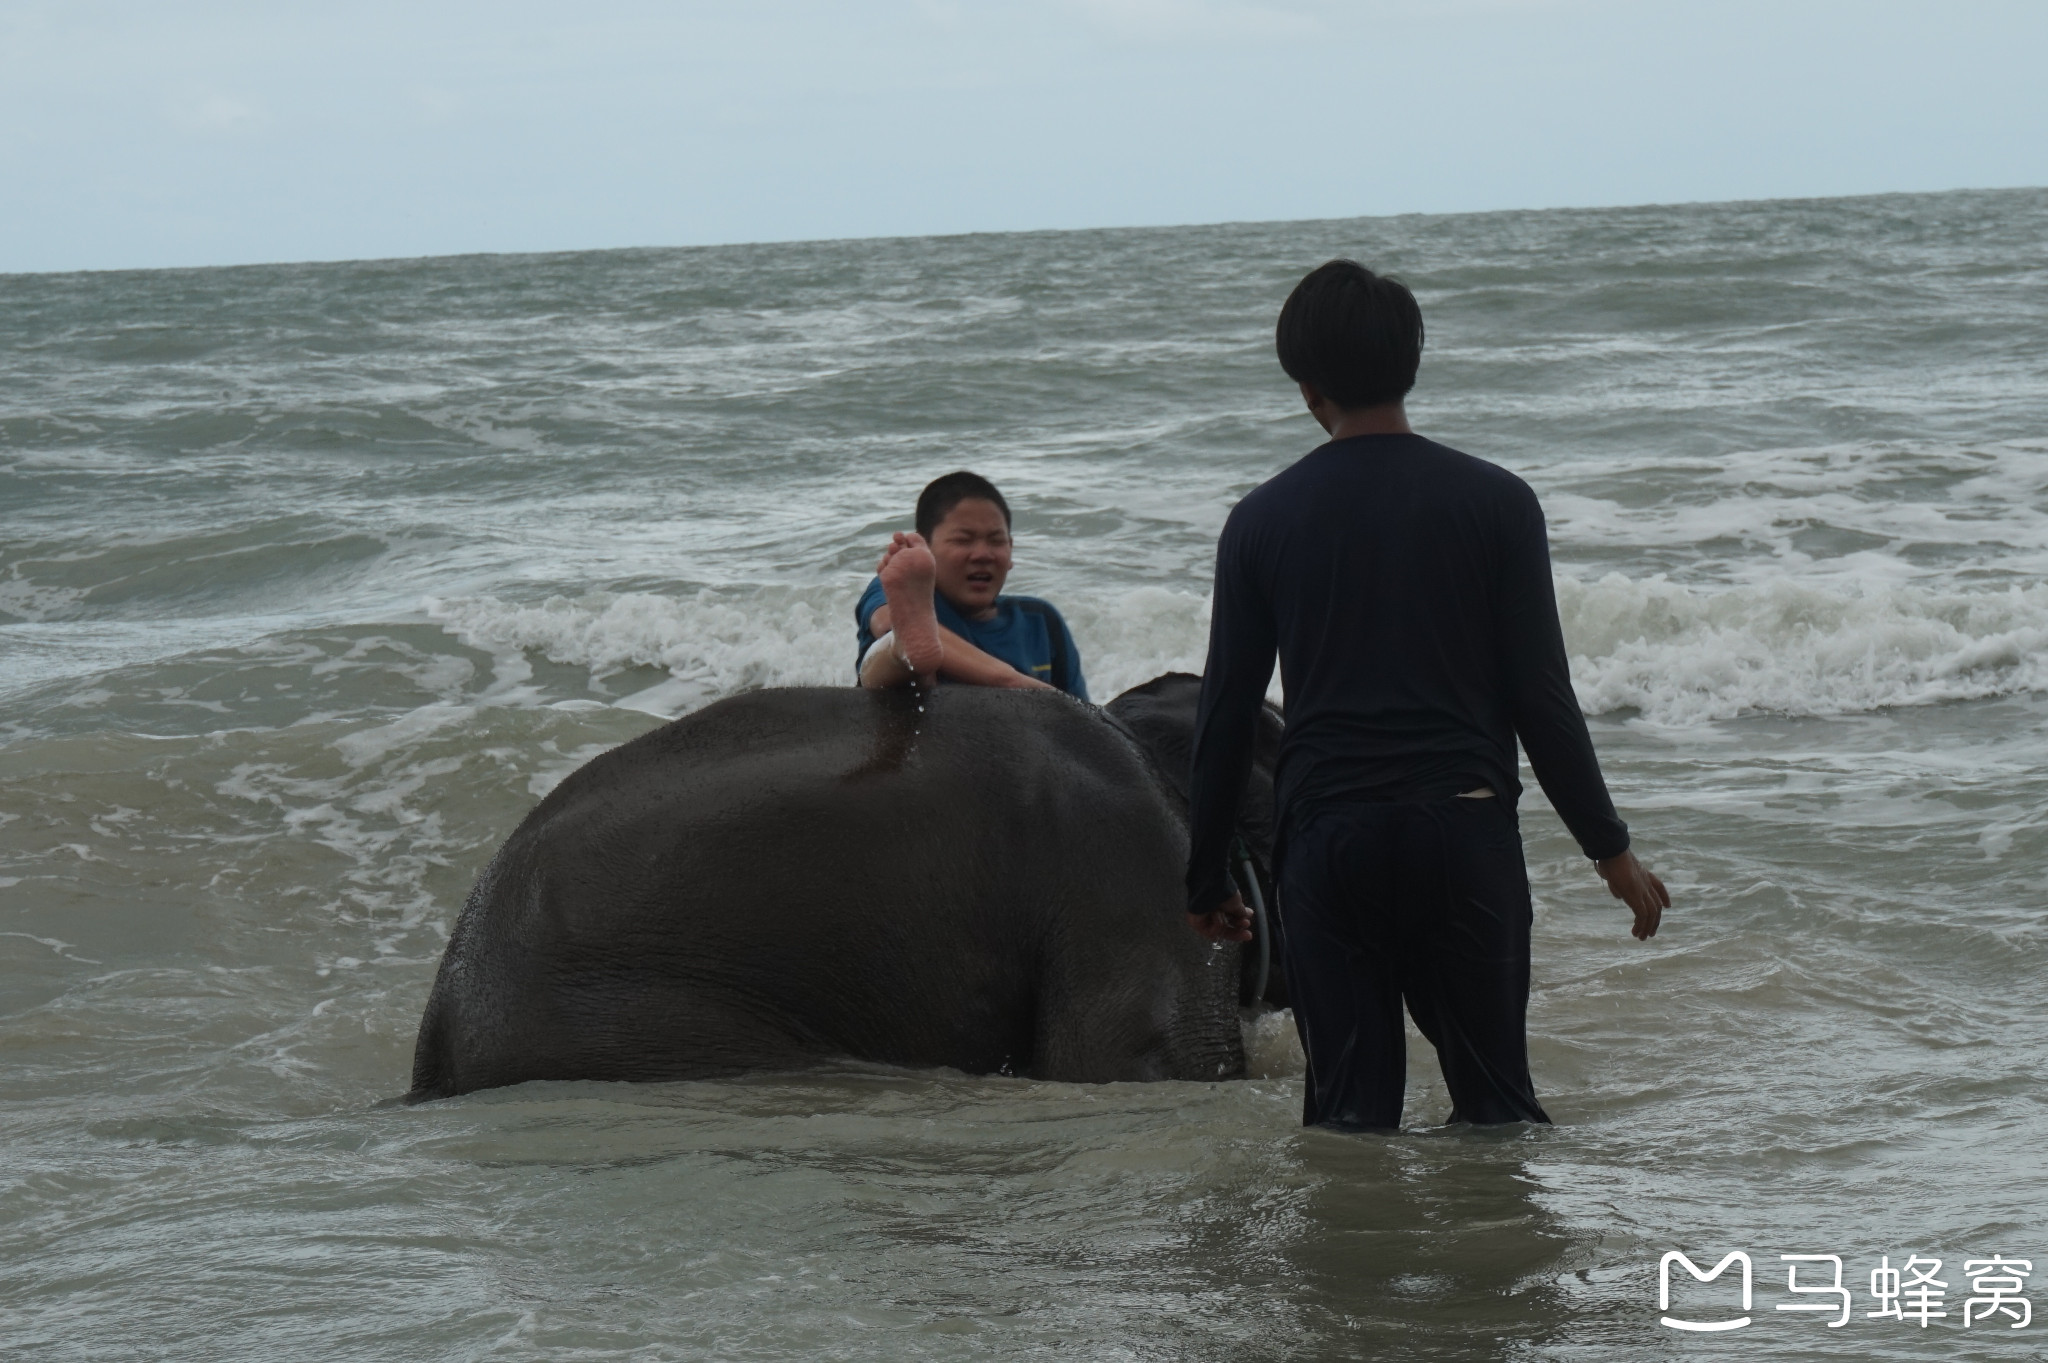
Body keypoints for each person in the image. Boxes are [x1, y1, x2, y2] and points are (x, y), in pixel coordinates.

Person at [1184, 260, 1670, 1131]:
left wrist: (1207, 876)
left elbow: (1225, 712)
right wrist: (1610, 850)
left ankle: (1353, 1265)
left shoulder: (1261, 520)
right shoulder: (1497, 503)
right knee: (1498, 1107)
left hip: (1330, 844)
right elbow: (1541, 698)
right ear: (1413, 363)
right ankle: (1498, 1264)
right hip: (1462, 831)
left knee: (1348, 1118)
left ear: (1306, 387)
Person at [856, 471, 1088, 700]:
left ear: (1011, 550)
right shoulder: (906, 590)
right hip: (903, 718)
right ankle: (905, 653)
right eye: (963, 540)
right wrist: (1017, 683)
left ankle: (910, 655)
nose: (982, 554)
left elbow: (1086, 718)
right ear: (924, 547)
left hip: (1006, 732)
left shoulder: (1040, 620)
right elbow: (887, 621)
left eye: (996, 541)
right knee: (893, 655)